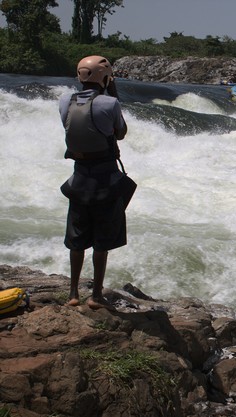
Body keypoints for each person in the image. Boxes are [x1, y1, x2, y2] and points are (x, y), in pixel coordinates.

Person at [58, 55, 129, 311]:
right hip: (105, 180)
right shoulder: (110, 103)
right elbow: (120, 132)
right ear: (105, 77)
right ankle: (96, 295)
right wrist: (113, 92)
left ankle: (73, 292)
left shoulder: (65, 99)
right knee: (102, 241)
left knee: (77, 239)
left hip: (78, 179)